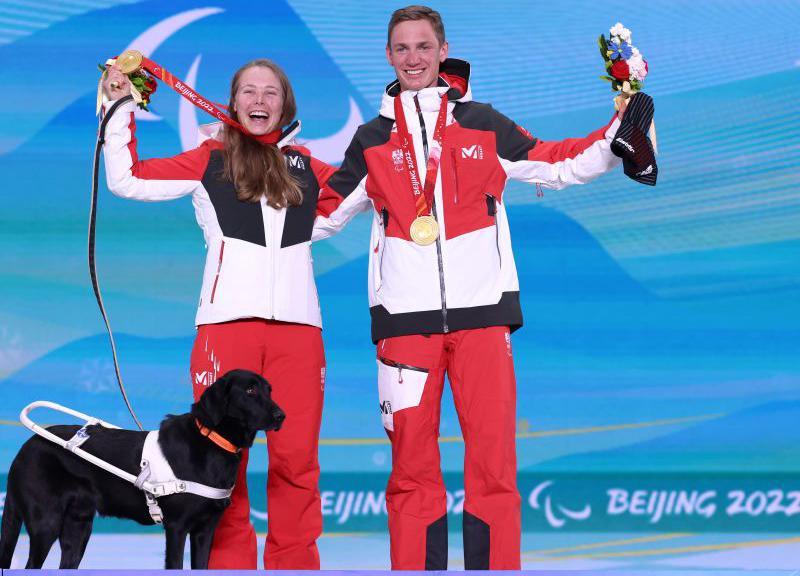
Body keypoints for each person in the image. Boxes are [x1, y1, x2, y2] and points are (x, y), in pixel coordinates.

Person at [314, 5, 645, 571]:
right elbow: (321, 215)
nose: (413, 58)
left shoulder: (483, 123)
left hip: (484, 319)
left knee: (493, 464)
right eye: (402, 48)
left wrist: (623, 120)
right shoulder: (371, 139)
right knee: (411, 469)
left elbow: (556, 163)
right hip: (404, 325)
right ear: (388, 56)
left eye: (424, 46)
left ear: (443, 52)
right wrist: (261, 180)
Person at [98, 59, 341, 569]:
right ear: (233, 103)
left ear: (285, 104)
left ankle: (295, 566)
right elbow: (127, 179)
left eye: (270, 91)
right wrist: (119, 105)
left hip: (299, 335)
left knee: (298, 463)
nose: (259, 99)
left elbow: (360, 196)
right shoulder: (211, 159)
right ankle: (228, 567)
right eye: (248, 90)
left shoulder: (308, 169)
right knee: (219, 464)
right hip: (227, 329)